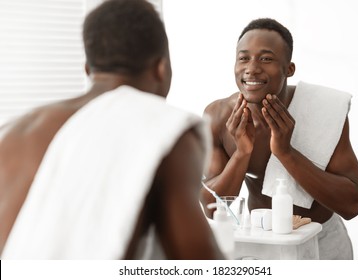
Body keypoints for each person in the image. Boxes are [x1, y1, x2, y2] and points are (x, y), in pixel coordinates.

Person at [0, 0, 223, 259]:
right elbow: (201, 263)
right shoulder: (162, 131)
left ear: (88, 70)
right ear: (161, 69)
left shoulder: (11, 132)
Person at [201, 18, 358, 260]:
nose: (252, 68)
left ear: (289, 69)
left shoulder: (324, 110)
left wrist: (286, 153)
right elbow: (212, 209)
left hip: (322, 240)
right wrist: (241, 153)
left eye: (266, 58)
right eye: (244, 58)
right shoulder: (218, 117)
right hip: (261, 242)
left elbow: (352, 205)